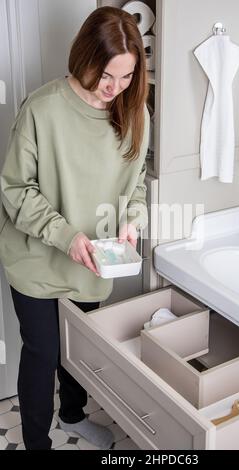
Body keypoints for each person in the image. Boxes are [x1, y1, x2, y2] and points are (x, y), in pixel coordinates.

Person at [0, 6, 150, 450]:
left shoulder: (134, 112)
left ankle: (72, 414)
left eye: (126, 78)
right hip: (37, 259)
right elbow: (14, 190)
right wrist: (67, 236)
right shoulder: (42, 109)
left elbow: (136, 183)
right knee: (43, 352)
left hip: (94, 259)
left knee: (78, 351)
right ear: (83, 55)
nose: (115, 89)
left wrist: (131, 221)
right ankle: (35, 442)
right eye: (107, 75)